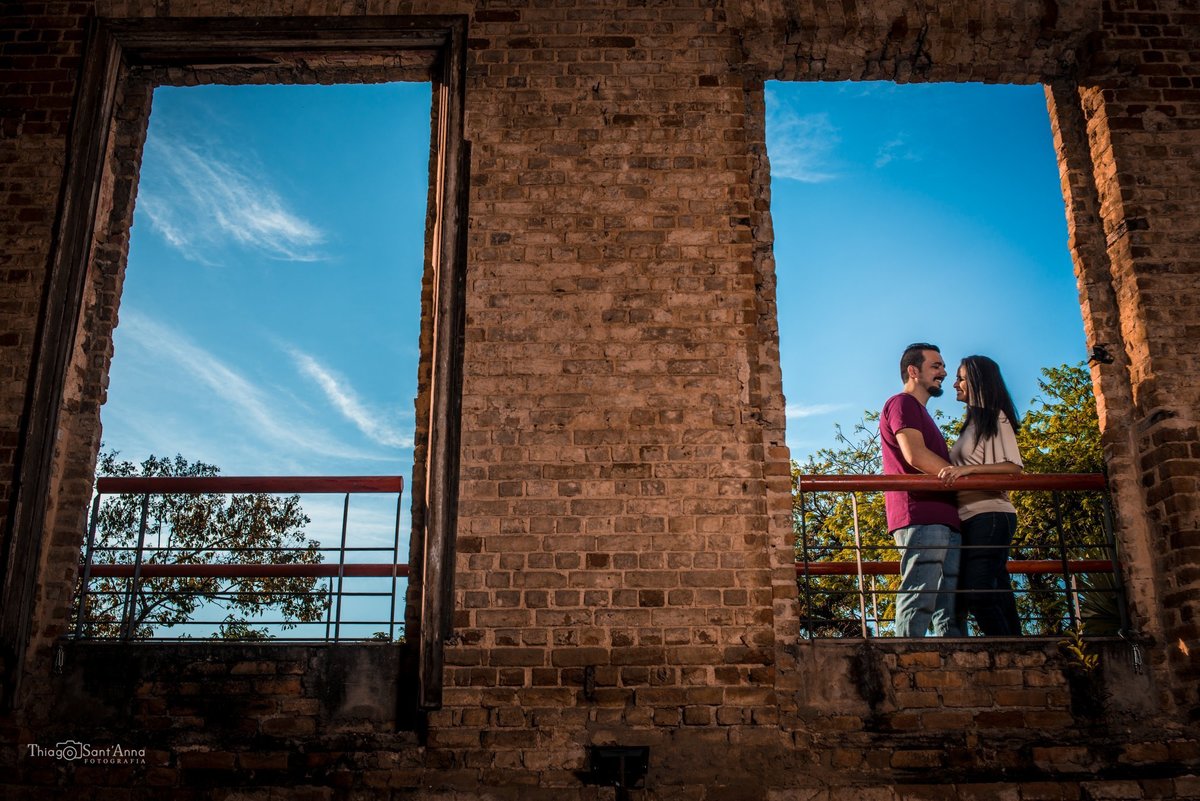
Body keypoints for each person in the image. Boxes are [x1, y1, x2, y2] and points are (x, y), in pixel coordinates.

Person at [879, 343, 962, 637]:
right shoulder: (902, 404)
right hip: (921, 514)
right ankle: (904, 657)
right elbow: (914, 454)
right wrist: (962, 478)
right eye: (936, 366)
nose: (944, 372)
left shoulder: (922, 413)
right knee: (920, 595)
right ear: (913, 371)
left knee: (948, 608)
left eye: (942, 366)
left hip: (945, 516)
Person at [938, 355, 1024, 636]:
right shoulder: (971, 424)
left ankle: (1006, 651)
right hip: (971, 518)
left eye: (961, 378)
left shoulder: (996, 416)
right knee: (996, 588)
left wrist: (968, 471)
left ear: (978, 381)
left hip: (991, 514)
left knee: (977, 591)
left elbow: (1013, 467)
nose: (954, 384)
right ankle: (1018, 648)